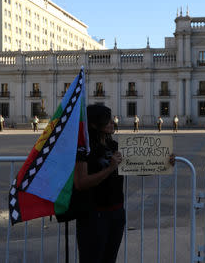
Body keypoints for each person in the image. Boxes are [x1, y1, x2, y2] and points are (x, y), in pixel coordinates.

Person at [73, 104, 175, 263]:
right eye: (106, 120)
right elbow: (81, 183)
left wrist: (164, 162)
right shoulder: (84, 149)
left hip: (116, 213)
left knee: (109, 259)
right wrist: (110, 168)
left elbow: (136, 166)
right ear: (94, 124)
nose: (112, 122)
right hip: (93, 216)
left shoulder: (114, 146)